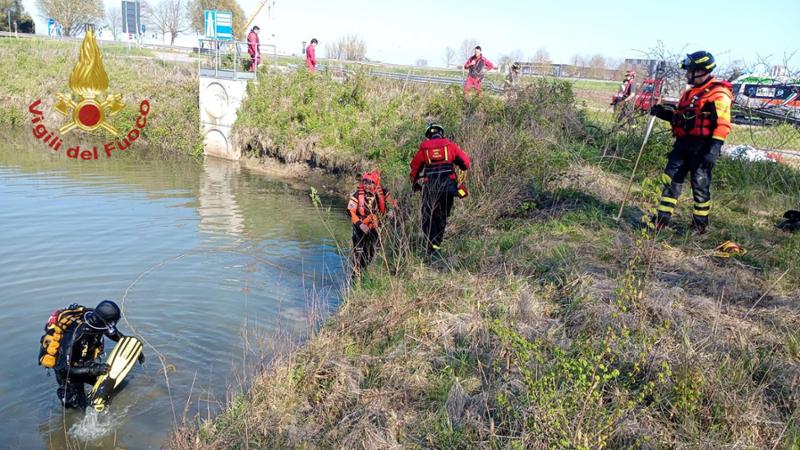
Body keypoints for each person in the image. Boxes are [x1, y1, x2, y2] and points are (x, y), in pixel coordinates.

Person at [649, 51, 733, 234]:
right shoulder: (690, 93)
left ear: (701, 70)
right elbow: (683, 119)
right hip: (682, 144)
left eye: (690, 71)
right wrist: (663, 113)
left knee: (700, 184)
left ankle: (699, 225)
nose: (687, 75)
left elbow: (723, 123)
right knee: (670, 180)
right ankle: (661, 220)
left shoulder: (719, 93)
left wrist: (714, 149)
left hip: (703, 147)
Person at [44, 300, 144, 408]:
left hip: (87, 365)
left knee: (114, 387)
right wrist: (93, 370)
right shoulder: (74, 336)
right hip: (70, 372)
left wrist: (132, 349)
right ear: (103, 322)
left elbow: (115, 334)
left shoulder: (99, 322)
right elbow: (63, 370)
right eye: (110, 324)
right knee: (77, 408)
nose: (111, 328)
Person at [409, 124, 471, 257]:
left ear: (429, 135)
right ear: (441, 133)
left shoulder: (423, 149)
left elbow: (414, 169)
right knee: (442, 216)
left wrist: (414, 183)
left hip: (430, 188)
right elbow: (465, 163)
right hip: (449, 188)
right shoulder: (451, 146)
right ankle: (437, 246)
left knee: (428, 217)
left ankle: (430, 247)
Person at [347, 171, 397, 276]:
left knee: (371, 253)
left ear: (375, 183)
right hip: (359, 228)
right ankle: (356, 274)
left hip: (375, 228)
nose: (367, 186)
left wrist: (391, 211)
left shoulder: (383, 192)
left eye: (370, 183)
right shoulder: (357, 195)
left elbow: (393, 204)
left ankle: (365, 271)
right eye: (365, 183)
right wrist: (360, 224)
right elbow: (350, 212)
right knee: (359, 253)